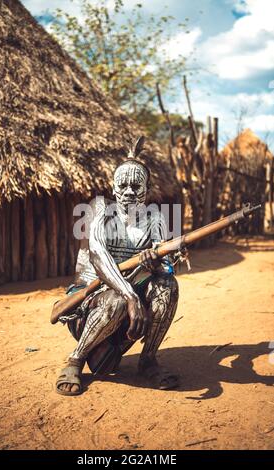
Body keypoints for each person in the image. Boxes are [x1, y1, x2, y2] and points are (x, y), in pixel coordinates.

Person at [56, 137, 181, 396]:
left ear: (146, 189)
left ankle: (148, 360)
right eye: (122, 185)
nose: (129, 191)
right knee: (116, 300)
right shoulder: (101, 212)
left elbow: (168, 268)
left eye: (136, 186)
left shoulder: (155, 218)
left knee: (168, 287)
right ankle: (76, 359)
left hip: (132, 310)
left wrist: (159, 263)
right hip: (91, 305)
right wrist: (129, 296)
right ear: (113, 188)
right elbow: (99, 258)